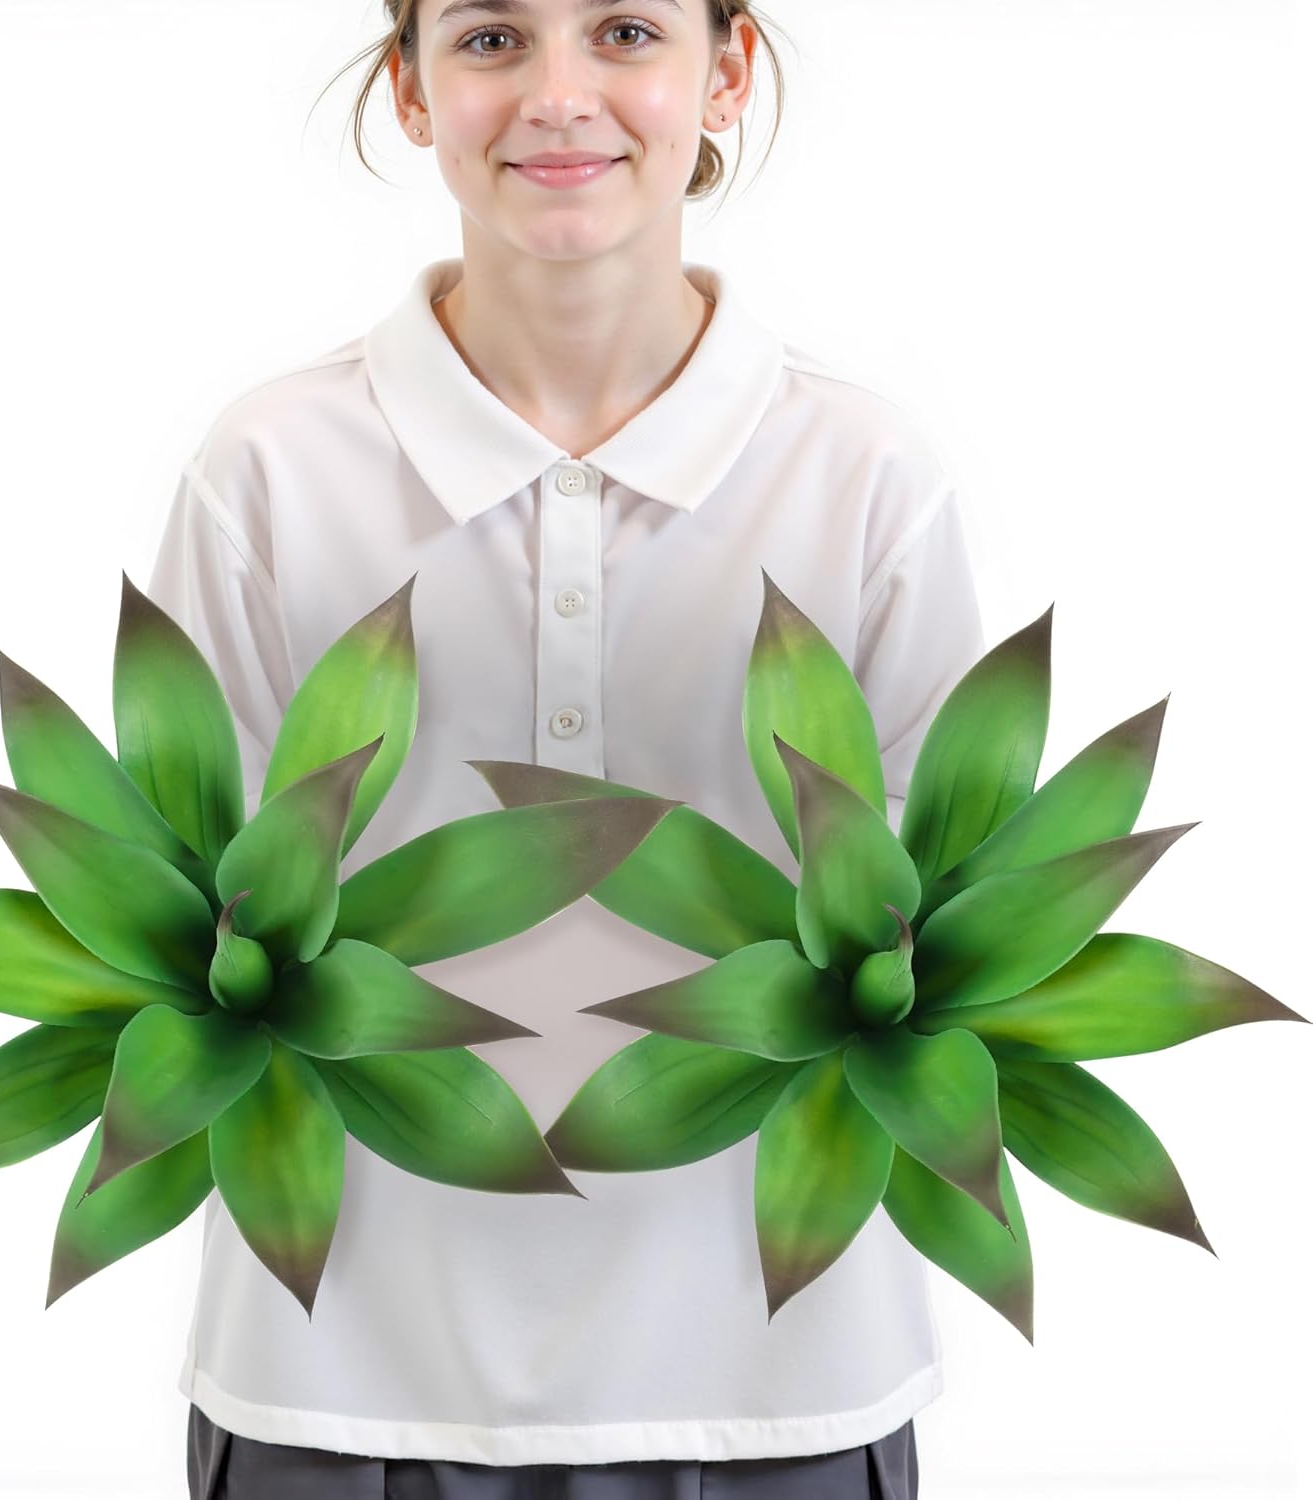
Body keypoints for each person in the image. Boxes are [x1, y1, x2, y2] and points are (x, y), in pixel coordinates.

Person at [148, 1, 985, 1495]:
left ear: (725, 69)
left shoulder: (863, 477)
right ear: (408, 86)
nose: (557, 94)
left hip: (781, 1390)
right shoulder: (267, 469)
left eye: (624, 30)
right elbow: (170, 923)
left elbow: (962, 944)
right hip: (338, 1390)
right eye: (489, 38)